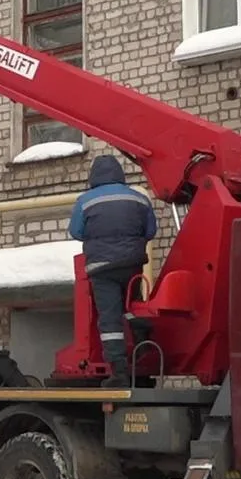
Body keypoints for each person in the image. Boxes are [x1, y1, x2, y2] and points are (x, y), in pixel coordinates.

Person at [68, 154, 157, 387]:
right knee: (133, 306)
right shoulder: (140, 198)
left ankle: (119, 372)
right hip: (133, 264)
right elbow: (150, 231)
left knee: (109, 320)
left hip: (103, 268)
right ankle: (141, 337)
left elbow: (76, 232)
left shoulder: (85, 201)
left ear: (93, 176)